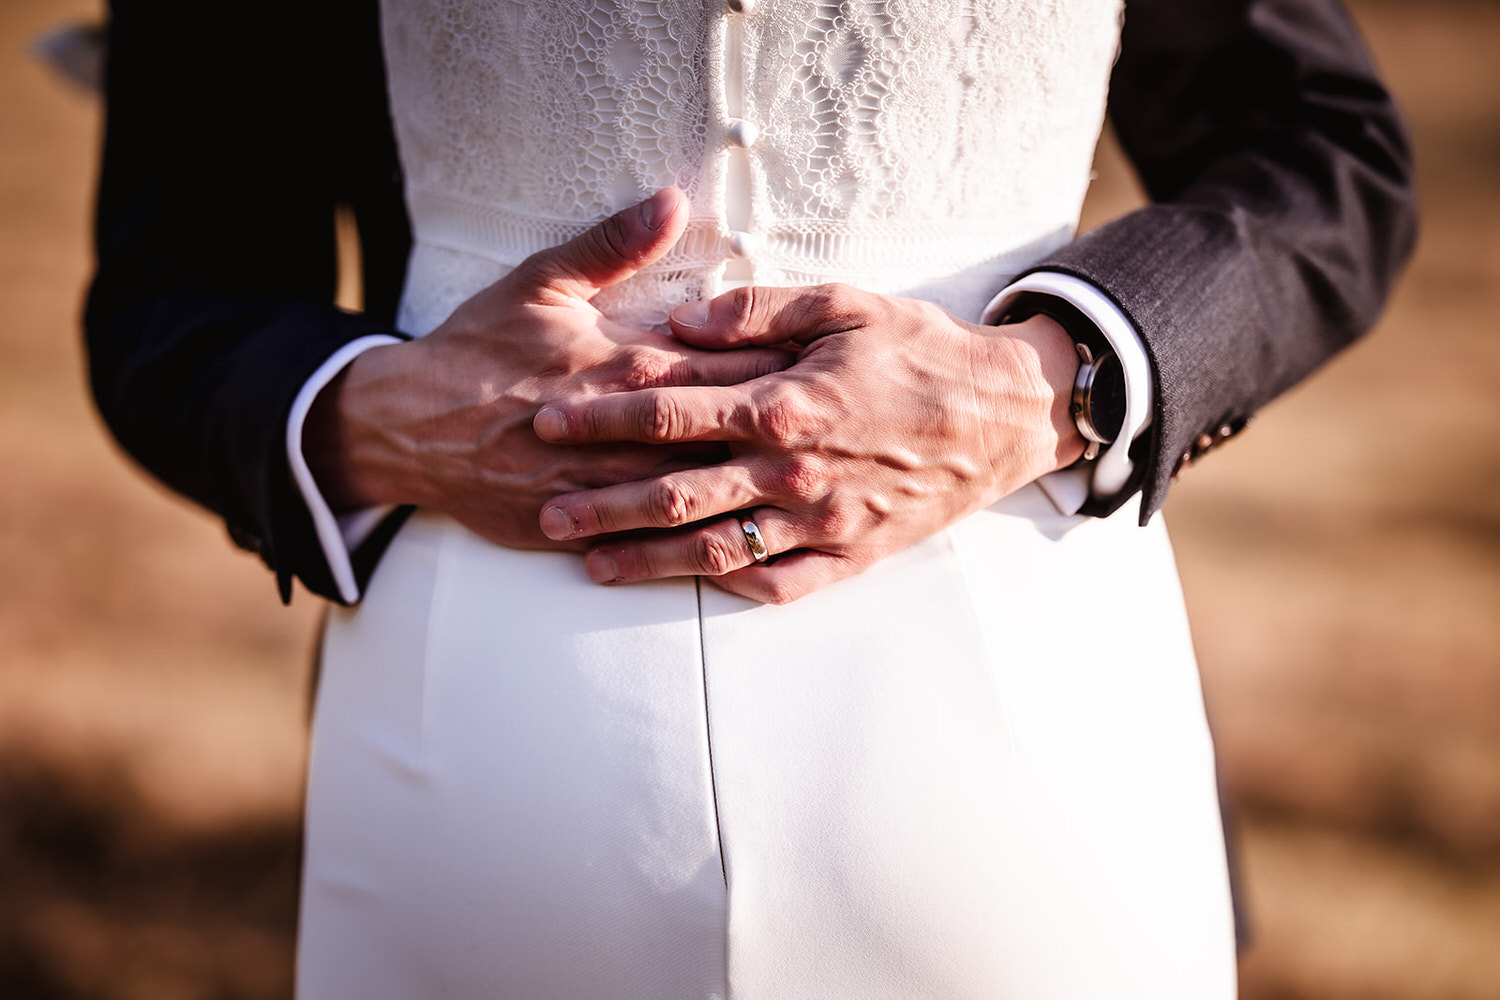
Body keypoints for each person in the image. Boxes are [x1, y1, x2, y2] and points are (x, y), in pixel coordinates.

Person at [86, 0, 1415, 997]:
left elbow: (1320, 151)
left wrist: (1037, 384)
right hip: (475, 732)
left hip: (1022, 712)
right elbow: (173, 283)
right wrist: (376, 417)